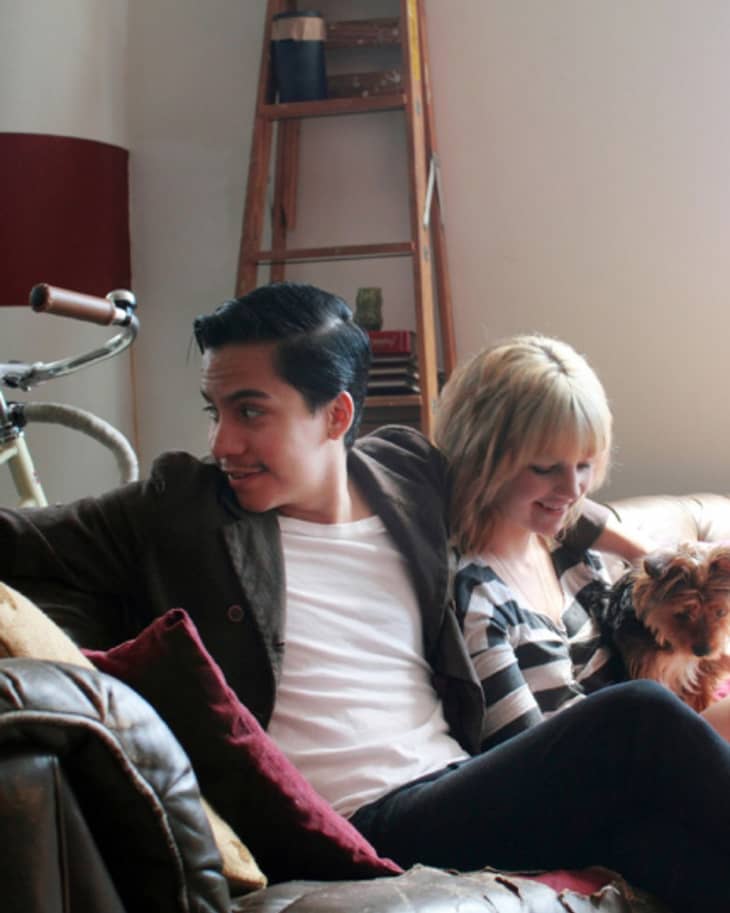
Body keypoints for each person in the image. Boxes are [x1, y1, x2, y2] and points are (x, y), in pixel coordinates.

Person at [1, 281, 730, 912]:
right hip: (359, 823)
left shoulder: (408, 474)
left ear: (337, 415)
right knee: (637, 716)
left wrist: (633, 545)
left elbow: (524, 481)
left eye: (250, 412)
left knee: (655, 845)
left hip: (459, 784)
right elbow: (19, 538)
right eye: (214, 410)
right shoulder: (180, 506)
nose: (222, 442)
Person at [433, 335, 622, 749]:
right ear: (480, 458)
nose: (572, 490)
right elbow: (530, 764)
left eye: (584, 464)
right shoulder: (478, 595)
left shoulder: (575, 557)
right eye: (545, 467)